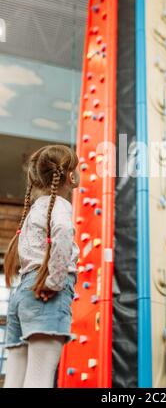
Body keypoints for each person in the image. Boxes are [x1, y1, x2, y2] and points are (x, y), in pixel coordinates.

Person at [3, 145, 80, 388]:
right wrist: (55, 281)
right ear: (70, 176)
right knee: (40, 379)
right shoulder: (59, 206)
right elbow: (65, 231)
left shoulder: (35, 209)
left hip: (22, 294)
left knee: (15, 379)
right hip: (44, 294)